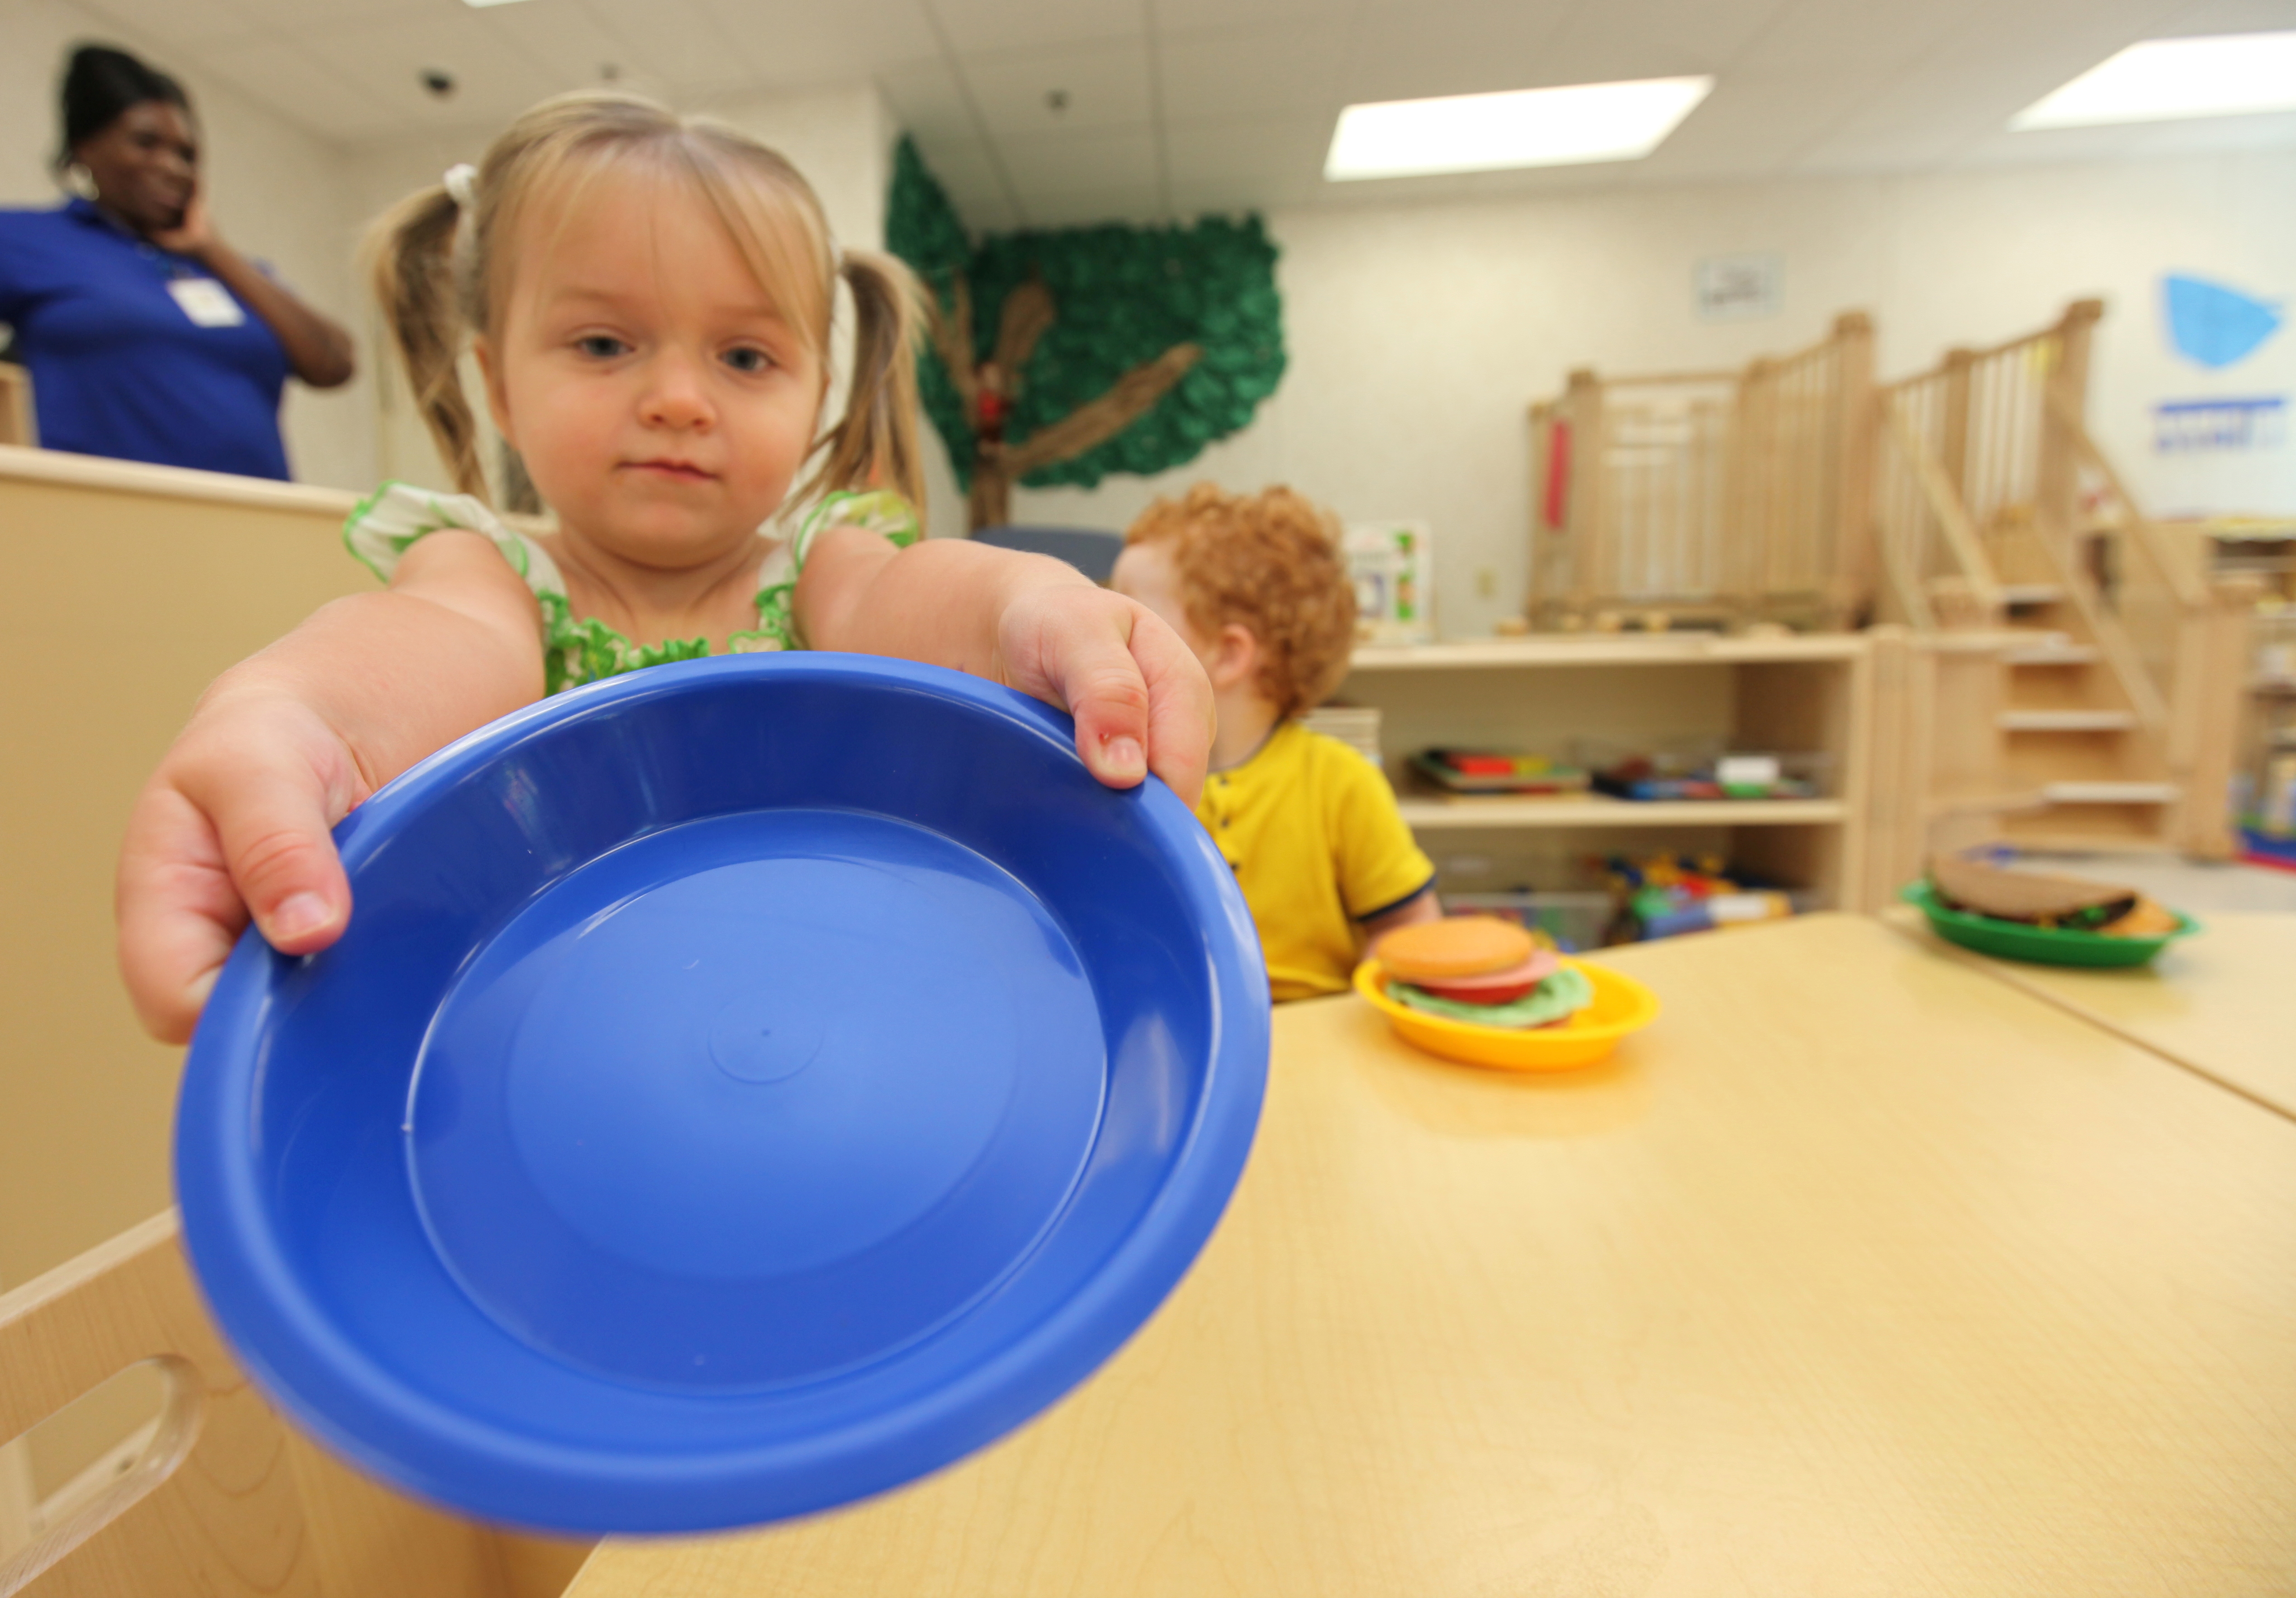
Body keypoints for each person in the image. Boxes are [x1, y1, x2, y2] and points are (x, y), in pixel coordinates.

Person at [114, 92, 1211, 1042]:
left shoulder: (821, 565)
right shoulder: (495, 575)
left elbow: (912, 595)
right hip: (562, 1038)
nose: (680, 398)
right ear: (499, 385)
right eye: (604, 344)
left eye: (744, 356)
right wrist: (289, 713)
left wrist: (1037, 602)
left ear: (815, 389)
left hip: (838, 1003)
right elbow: (425, 645)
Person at [1112, 483, 1439, 1001]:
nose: (1099, 632)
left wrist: (1362, 1006)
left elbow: (1410, 923)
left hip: (1316, 1036)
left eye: (1126, 615)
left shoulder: (1340, 782)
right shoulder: (1116, 771)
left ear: (1226, 655)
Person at [0, 45, 354, 478]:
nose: (172, 167)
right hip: (106, 520)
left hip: (254, 521)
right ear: (84, 148)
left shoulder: (232, 271)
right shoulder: (26, 239)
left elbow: (335, 363)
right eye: (146, 143)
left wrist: (212, 250)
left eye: (186, 154)